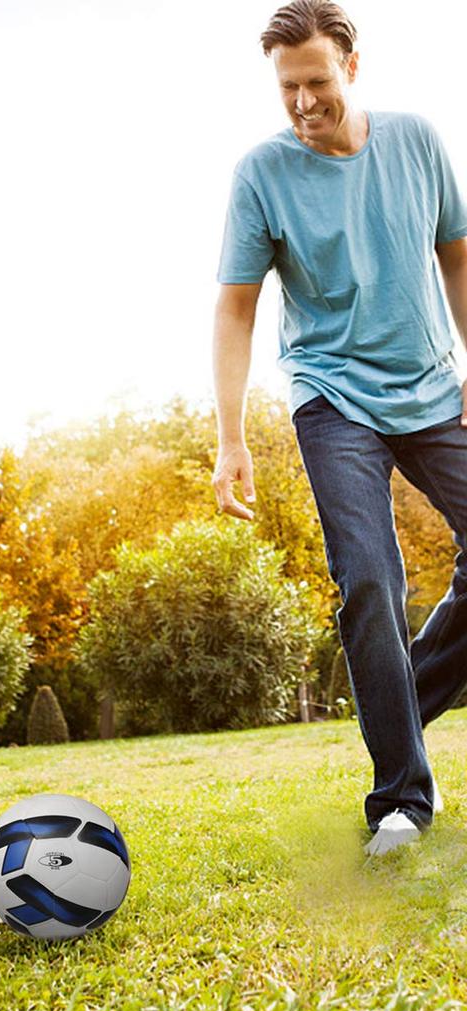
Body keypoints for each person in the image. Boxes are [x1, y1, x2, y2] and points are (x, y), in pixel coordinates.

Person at [212, 0, 467, 856]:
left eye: (316, 81)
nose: (303, 101)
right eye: (288, 87)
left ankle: (402, 701)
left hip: (433, 389)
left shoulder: (418, 141)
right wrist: (231, 437)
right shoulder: (262, 174)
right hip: (333, 399)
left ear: (352, 68)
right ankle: (401, 797)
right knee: (369, 579)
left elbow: (457, 257)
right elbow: (236, 309)